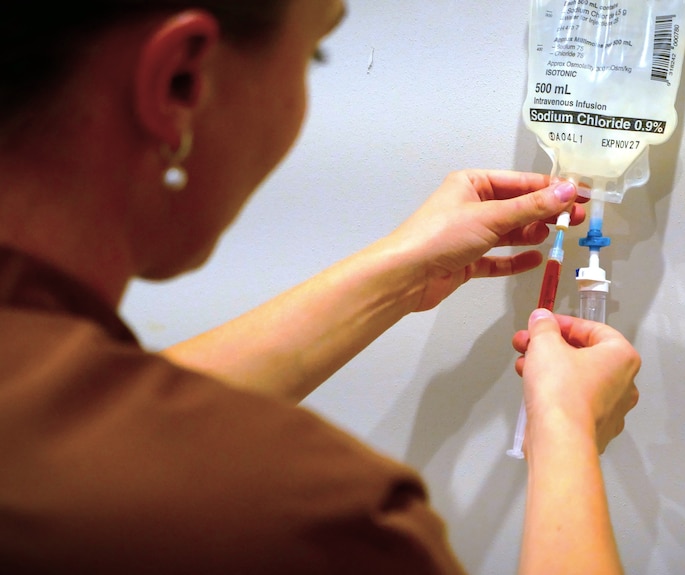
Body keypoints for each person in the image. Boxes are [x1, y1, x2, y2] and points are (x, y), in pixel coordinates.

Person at [0, 1, 640, 573]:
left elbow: (96, 422)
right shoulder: (313, 520)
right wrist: (564, 430)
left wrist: (401, 271)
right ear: (179, 81)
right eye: (316, 52)